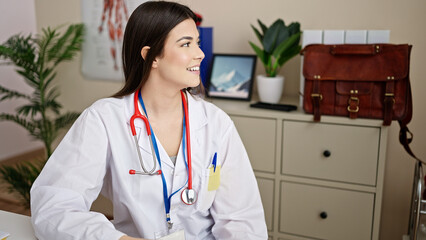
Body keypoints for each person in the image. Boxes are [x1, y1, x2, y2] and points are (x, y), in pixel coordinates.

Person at [30, 1, 268, 239]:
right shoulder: (104, 119)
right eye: (186, 44)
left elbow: (242, 221)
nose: (200, 54)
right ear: (151, 56)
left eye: (197, 42)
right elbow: (54, 206)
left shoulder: (216, 123)